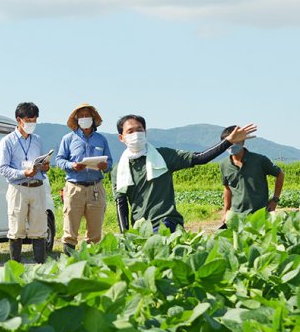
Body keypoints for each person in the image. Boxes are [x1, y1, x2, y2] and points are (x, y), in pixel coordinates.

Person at [113, 115, 257, 234]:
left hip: (167, 223)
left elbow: (200, 157)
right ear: (121, 138)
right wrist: (125, 235)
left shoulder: (163, 156)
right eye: (130, 131)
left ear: (145, 132)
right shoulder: (119, 170)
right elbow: (121, 204)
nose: (136, 134)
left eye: (139, 130)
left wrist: (228, 142)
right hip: (141, 229)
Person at [55, 103, 113, 255]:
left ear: (93, 119)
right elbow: (60, 160)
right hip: (74, 187)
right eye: (80, 116)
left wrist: (104, 166)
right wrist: (72, 165)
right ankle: (68, 262)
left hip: (96, 187)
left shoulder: (101, 139)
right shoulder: (68, 139)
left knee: (95, 232)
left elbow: (110, 163)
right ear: (76, 119)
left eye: (87, 115)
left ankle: (91, 264)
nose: (84, 118)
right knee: (70, 230)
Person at [0, 102, 50, 264]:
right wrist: (24, 173)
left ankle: (40, 267)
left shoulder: (38, 140)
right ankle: (16, 266)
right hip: (18, 187)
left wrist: (45, 167)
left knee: (39, 228)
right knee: (16, 229)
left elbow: (41, 164)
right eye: (28, 120)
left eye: (34, 120)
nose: (31, 124)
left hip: (37, 186)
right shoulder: (7, 141)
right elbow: (4, 169)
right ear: (19, 120)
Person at [219, 125, 284, 224]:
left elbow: (280, 174)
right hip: (237, 215)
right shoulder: (224, 164)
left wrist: (275, 199)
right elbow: (227, 188)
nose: (232, 145)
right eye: (228, 142)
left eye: (235, 141)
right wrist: (225, 212)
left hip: (260, 213)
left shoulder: (259, 160)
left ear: (243, 141)